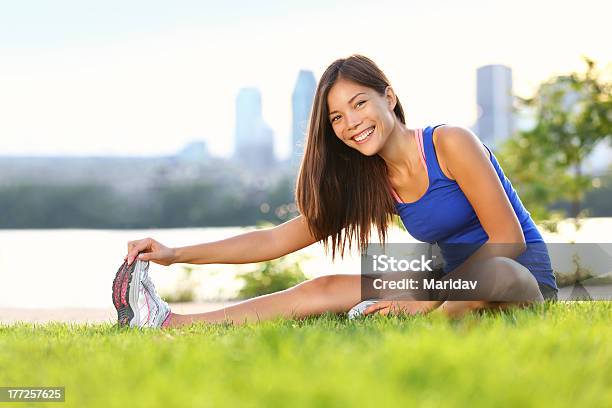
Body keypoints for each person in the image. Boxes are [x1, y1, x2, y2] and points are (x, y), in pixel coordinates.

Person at [116, 54, 557, 329]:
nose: (351, 123)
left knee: (495, 274)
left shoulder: (450, 142)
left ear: (389, 97)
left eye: (360, 103)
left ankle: (431, 320)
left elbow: (508, 242)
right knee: (323, 287)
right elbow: (274, 240)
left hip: (519, 282)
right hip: (448, 287)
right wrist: (175, 253)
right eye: (337, 117)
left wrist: (424, 298)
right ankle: (173, 323)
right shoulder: (374, 183)